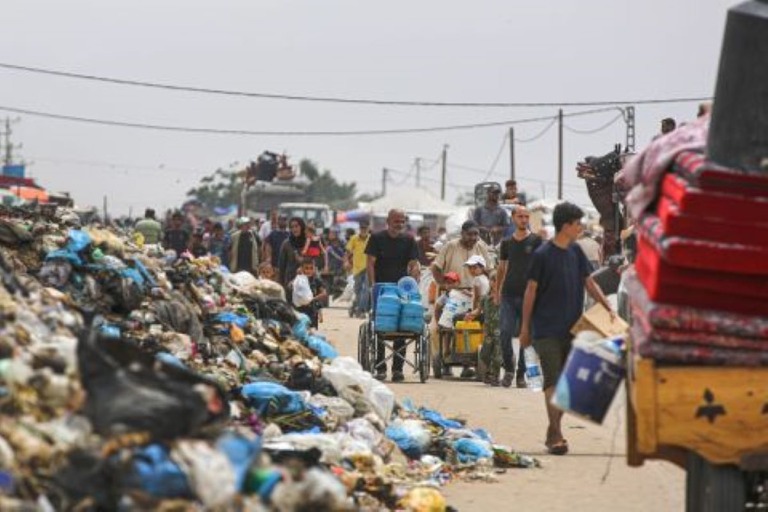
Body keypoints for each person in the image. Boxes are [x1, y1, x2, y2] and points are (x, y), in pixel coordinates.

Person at [519, 202, 616, 456]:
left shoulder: (575, 252)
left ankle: (553, 430)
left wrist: (606, 306)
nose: (581, 227)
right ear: (566, 226)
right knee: (553, 379)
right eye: (577, 223)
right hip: (546, 329)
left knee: (565, 382)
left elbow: (588, 281)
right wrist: (525, 327)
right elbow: (531, 291)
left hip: (572, 327)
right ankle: (557, 434)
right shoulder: (542, 255)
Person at [365, 209, 420, 382]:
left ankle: (397, 369)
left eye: (402, 221)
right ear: (388, 221)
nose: (400, 224)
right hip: (382, 287)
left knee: (402, 328)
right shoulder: (376, 238)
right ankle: (380, 367)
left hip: (401, 288)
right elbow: (370, 263)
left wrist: (413, 278)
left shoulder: (409, 240)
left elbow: (412, 264)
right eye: (396, 221)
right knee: (381, 327)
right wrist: (372, 285)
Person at [495, 205, 542, 388]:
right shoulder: (506, 243)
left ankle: (521, 374)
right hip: (508, 294)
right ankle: (508, 368)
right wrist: (497, 291)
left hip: (529, 296)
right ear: (513, 218)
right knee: (505, 332)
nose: (523, 219)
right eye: (520, 216)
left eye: (526, 216)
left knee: (526, 335)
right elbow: (501, 268)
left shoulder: (537, 241)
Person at [477, 270, 502, 386]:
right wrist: (470, 315)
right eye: (493, 280)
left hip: (500, 331)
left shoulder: (503, 297)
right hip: (488, 331)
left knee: (497, 356)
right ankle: (488, 372)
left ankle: (495, 376)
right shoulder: (485, 298)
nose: (494, 282)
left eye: (497, 280)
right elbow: (478, 311)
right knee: (484, 354)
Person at [292, 258, 328, 329]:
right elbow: (291, 288)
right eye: (306, 268)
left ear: (314, 268)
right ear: (302, 268)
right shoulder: (299, 280)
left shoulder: (316, 280)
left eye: (311, 268)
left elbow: (324, 293)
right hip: (299, 310)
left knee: (310, 330)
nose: (309, 271)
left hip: (312, 311)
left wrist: (312, 300)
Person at [346, 221, 371, 318]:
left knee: (366, 289)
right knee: (358, 290)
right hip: (357, 268)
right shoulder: (354, 238)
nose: (363, 230)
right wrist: (347, 262)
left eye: (365, 228)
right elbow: (348, 251)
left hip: (368, 267)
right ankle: (354, 307)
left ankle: (361, 311)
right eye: (362, 228)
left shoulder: (371, 239)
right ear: (360, 229)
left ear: (368, 229)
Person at [277, 217, 307, 290]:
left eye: (296, 226)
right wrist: (281, 283)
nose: (294, 229)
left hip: (307, 280)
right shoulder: (286, 244)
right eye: (292, 227)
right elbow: (281, 266)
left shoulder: (308, 242)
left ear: (302, 227)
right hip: (290, 280)